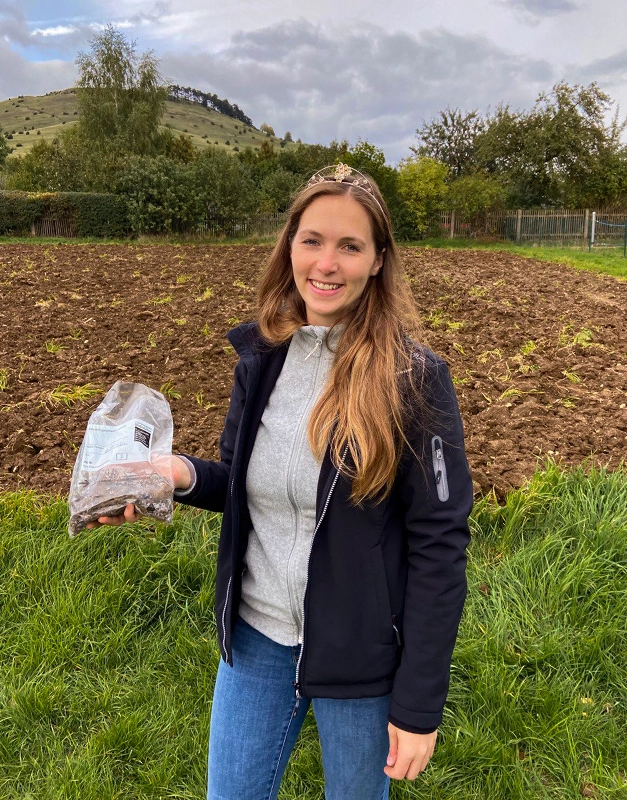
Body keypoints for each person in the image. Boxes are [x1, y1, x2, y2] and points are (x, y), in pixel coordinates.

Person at [89, 164, 473, 799]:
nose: (327, 262)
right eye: (312, 240)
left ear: (378, 260)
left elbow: (440, 543)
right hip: (256, 636)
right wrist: (179, 475)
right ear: (289, 245)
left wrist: (419, 703)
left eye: (350, 245)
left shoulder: (415, 379)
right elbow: (243, 483)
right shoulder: (262, 358)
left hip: (361, 654)